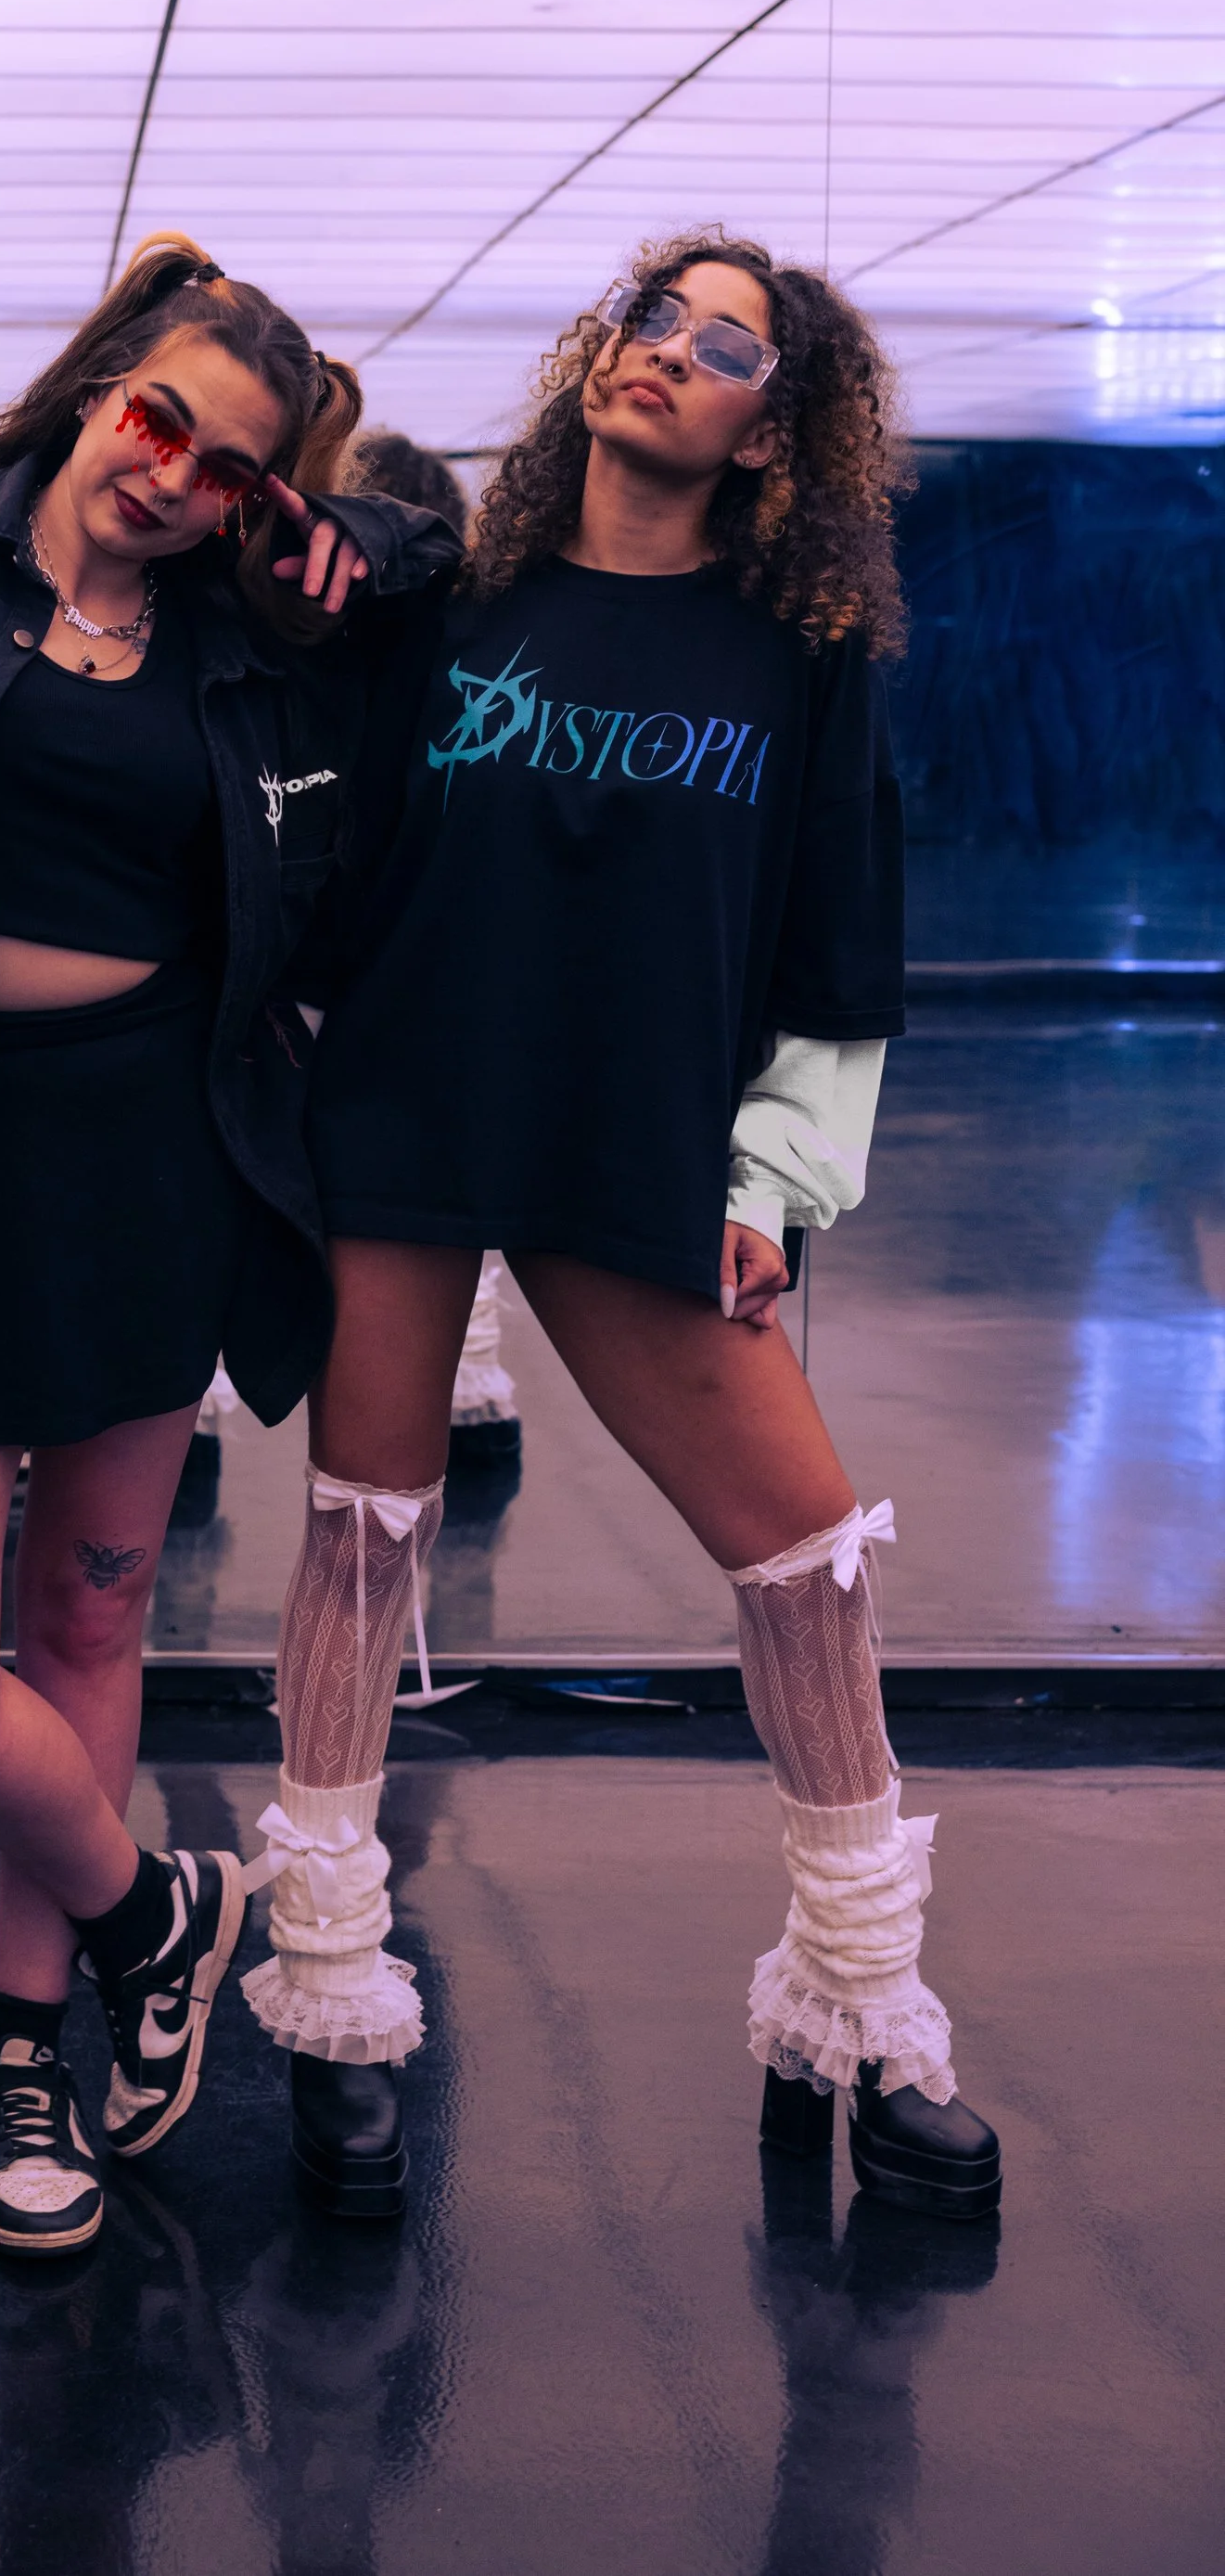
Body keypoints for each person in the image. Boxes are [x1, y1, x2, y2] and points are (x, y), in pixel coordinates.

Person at [0, 237, 454, 2261]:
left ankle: (22, 2053)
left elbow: (437, 554)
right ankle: (160, 1907)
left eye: (225, 467)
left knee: (89, 1628)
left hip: (146, 1168)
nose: (168, 475)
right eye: (157, 418)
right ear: (100, 378)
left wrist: (350, 545)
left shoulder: (248, 630)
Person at [263, 234, 1001, 2229]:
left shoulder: (796, 646)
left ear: (776, 429)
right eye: (643, 317)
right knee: (357, 1537)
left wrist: (770, 1178)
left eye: (719, 342)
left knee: (803, 1559)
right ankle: (330, 1990)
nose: (661, 352)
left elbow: (837, 940)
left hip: (641, 1138)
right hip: (405, 1108)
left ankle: (857, 2001)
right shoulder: (451, 593)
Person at [338, 433, 523, 1474]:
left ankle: (199, 1413)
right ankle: (473, 1391)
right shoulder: (475, 653)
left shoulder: (326, 650)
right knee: (459, 1209)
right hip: (444, 981)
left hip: (329, 972)